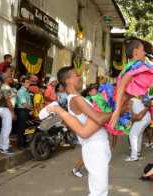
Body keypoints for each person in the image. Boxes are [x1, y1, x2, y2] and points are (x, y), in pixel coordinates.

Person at [46, 66, 117, 196]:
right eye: (77, 75)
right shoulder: (75, 99)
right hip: (94, 146)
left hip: (96, 146)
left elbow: (97, 120)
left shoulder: (77, 98)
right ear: (68, 80)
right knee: (99, 192)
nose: (80, 77)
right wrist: (118, 112)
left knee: (99, 190)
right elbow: (99, 119)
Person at [108, 40, 153, 132]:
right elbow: (121, 86)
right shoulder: (134, 67)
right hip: (111, 106)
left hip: (116, 105)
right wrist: (117, 110)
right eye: (142, 50)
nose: (144, 53)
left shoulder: (132, 66)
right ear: (135, 53)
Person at [126, 97, 151, 161]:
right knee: (139, 135)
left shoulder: (130, 100)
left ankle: (134, 156)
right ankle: (138, 153)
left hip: (142, 118)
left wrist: (130, 121)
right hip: (147, 118)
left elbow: (131, 113)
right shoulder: (136, 99)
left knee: (132, 135)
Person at [0, 73, 16, 155]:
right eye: (9, 77)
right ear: (5, 79)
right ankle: (5, 148)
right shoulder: (5, 87)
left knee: (5, 128)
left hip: (5, 109)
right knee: (7, 129)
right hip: (6, 109)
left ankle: (0, 146)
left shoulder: (5, 87)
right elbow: (8, 101)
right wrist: (12, 112)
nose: (11, 78)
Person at [15, 77, 32, 148]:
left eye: (29, 82)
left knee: (26, 128)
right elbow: (24, 104)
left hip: (26, 111)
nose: (29, 84)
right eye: (27, 82)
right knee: (21, 128)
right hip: (22, 111)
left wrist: (30, 109)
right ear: (22, 83)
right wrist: (31, 109)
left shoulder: (26, 91)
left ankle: (24, 143)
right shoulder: (21, 91)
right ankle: (21, 144)